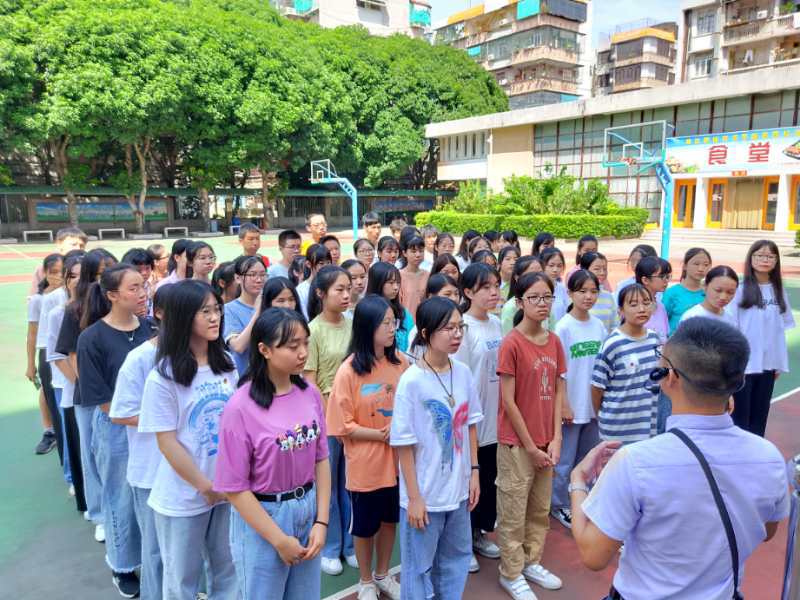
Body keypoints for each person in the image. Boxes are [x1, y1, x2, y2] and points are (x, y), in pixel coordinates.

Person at [570, 318, 790, 600]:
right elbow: (767, 530)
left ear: (671, 377)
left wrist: (578, 481)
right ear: (738, 382)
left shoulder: (635, 462)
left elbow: (593, 554)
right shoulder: (769, 458)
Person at [214, 308, 331, 600]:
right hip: (265, 517)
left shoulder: (310, 394)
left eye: (305, 343)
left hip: (307, 508)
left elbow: (321, 459)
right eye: (292, 346)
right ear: (264, 350)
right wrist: (279, 540)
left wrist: (321, 521)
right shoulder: (240, 407)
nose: (303, 353)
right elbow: (235, 488)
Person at [139, 280, 239, 600]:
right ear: (183, 317)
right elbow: (167, 442)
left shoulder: (226, 364)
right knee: (182, 579)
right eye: (205, 311)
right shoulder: (163, 376)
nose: (215, 317)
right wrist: (204, 486)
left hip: (227, 489)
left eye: (217, 309)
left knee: (229, 572)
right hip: (183, 497)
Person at [390, 296, 482, 600]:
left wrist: (474, 472)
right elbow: (403, 444)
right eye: (448, 328)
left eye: (460, 327)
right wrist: (414, 498)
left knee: (455, 561)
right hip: (425, 495)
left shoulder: (463, 372)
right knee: (418, 569)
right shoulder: (412, 381)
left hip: (458, 492)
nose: (457, 334)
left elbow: (470, 424)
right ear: (426, 333)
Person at [77, 264, 153, 597]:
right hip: (117, 430)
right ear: (112, 295)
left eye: (143, 286)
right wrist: (152, 419)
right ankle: (122, 565)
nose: (142, 293)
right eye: (133, 288)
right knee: (120, 497)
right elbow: (105, 403)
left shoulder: (151, 328)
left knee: (151, 498)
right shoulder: (91, 338)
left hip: (152, 427)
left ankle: (153, 560)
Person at [327, 295, 408, 600]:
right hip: (366, 464)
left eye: (393, 321)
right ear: (366, 326)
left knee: (389, 521)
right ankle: (365, 581)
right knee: (364, 527)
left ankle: (383, 574)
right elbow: (341, 425)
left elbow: (411, 404)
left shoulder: (400, 363)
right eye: (385, 323)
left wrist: (398, 428)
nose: (392, 328)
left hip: (397, 462)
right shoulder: (349, 371)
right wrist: (380, 435)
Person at [496, 272, 565, 600]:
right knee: (513, 510)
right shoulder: (511, 343)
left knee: (539, 508)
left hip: (546, 441)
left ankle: (531, 560)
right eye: (534, 297)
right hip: (517, 444)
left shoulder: (554, 341)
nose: (542, 303)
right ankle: (510, 572)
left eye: (547, 297)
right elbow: (508, 401)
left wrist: (556, 438)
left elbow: (558, 389)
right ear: (519, 302)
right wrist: (530, 447)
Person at [109, 285, 172, 600]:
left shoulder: (204, 355)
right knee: (156, 551)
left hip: (190, 472)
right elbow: (120, 413)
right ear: (159, 315)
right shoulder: (140, 359)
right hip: (151, 470)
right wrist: (168, 417)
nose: (210, 318)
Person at [56, 248, 117, 544]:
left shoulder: (124, 307)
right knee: (92, 455)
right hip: (91, 398)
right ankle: (100, 514)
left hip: (121, 396)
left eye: (110, 273)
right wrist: (97, 390)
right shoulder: (76, 310)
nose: (105, 280)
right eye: (100, 274)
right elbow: (72, 356)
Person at [304, 266, 356, 575]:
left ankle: (351, 545)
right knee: (330, 486)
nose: (347, 294)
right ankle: (332, 547)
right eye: (340, 289)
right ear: (321, 294)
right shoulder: (313, 331)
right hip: (327, 420)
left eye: (349, 288)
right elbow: (310, 382)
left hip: (355, 418)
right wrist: (330, 420)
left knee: (352, 484)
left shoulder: (354, 325)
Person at [453, 264, 503, 573]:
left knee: (488, 481)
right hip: (472, 422)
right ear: (468, 292)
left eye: (496, 285)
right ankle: (464, 542)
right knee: (469, 482)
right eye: (486, 287)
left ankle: (480, 534)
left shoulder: (497, 323)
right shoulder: (465, 328)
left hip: (495, 419)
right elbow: (460, 380)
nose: (494, 292)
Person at [550, 269, 605, 531]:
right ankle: (559, 504)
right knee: (565, 461)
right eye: (582, 291)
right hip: (572, 406)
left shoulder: (599, 326)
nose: (588, 296)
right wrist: (563, 404)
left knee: (589, 459)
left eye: (593, 291)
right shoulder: (563, 327)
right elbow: (558, 372)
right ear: (570, 293)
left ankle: (583, 501)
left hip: (593, 406)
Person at [728, 240, 795, 437]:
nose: (765, 260)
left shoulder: (779, 290)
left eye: (770, 256)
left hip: (767, 366)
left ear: (776, 261)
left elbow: (779, 330)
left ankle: (755, 453)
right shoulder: (740, 290)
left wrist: (777, 363)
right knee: (740, 419)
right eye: (760, 255)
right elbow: (731, 328)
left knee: (759, 417)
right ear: (751, 258)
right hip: (745, 366)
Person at [592, 283, 660, 444]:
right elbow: (597, 388)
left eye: (646, 303)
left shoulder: (654, 339)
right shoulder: (613, 344)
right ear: (620, 311)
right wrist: (602, 417)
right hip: (616, 431)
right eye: (633, 304)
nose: (642, 309)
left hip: (648, 429)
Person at [48, 253, 86, 509]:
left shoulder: (99, 310)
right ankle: (76, 483)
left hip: (93, 391)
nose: (78, 281)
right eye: (72, 276)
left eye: (84, 276)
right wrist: (82, 383)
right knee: (76, 441)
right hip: (73, 388)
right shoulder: (58, 313)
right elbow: (57, 356)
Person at [27, 253, 64, 457]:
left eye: (62, 272)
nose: (58, 276)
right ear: (45, 273)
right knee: (50, 396)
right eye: (53, 272)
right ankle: (52, 433)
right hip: (47, 353)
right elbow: (32, 333)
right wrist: (30, 364)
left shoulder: (67, 295)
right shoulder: (38, 299)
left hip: (66, 351)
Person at [224, 256, 268, 375]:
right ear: (238, 278)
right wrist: (257, 313)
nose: (259, 280)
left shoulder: (272, 304)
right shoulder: (229, 310)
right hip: (245, 377)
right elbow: (238, 346)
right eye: (252, 275)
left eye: (263, 274)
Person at [367, 262, 413, 354]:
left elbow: (411, 341)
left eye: (398, 283)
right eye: (391, 283)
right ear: (377, 283)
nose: (396, 287)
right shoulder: (366, 312)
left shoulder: (403, 313)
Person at [663, 247, 711, 334]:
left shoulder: (710, 294)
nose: (701, 269)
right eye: (696, 264)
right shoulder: (672, 293)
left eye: (706, 265)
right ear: (685, 266)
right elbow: (661, 322)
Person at [28, 226, 88, 294]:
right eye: (73, 244)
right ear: (59, 244)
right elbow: (34, 296)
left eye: (82, 246)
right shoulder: (46, 268)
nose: (78, 248)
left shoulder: (87, 266)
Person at [501, 256, 543, 335]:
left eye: (540, 273)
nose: (538, 278)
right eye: (531, 274)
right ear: (517, 277)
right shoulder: (510, 308)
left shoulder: (545, 302)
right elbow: (507, 338)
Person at [580, 252, 619, 334]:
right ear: (585, 270)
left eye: (605, 269)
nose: (602, 273)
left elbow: (615, 324)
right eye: (597, 269)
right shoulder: (576, 295)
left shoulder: (608, 296)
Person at [635, 256, 671, 343]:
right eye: (662, 276)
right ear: (645, 280)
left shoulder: (660, 306)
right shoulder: (634, 307)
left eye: (667, 276)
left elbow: (665, 336)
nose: (666, 280)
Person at [399, 234, 429, 325]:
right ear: (404, 253)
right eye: (413, 251)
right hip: (406, 324)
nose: (418, 255)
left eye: (421, 251)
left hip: (424, 323)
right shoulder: (398, 276)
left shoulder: (427, 275)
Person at [297, 244, 332, 318]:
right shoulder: (301, 290)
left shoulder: (333, 285)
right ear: (308, 264)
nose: (326, 267)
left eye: (328, 262)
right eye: (321, 263)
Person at [121, 248, 156, 314]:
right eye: (138, 270)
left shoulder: (151, 287)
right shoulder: (123, 289)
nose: (144, 273)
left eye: (147, 268)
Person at [541, 247, 569, 325]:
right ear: (542, 265)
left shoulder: (563, 289)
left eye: (559, 266)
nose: (555, 270)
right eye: (551, 265)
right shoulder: (534, 288)